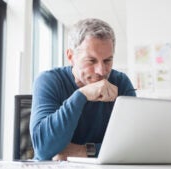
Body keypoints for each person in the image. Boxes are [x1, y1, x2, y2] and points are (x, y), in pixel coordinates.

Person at [29, 18, 136, 161]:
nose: (101, 70)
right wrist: (81, 95)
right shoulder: (48, 81)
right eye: (91, 61)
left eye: (107, 60)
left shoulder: (121, 82)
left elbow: (134, 144)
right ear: (71, 56)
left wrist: (83, 151)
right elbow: (44, 149)